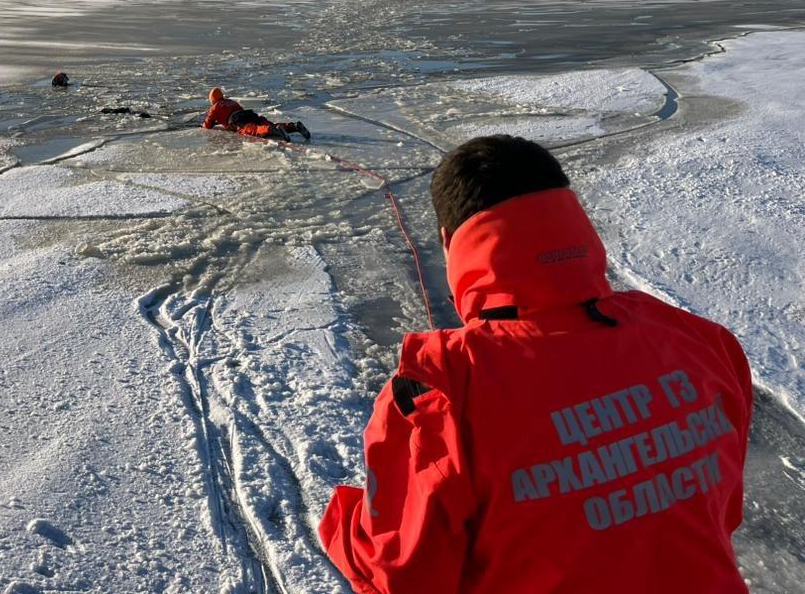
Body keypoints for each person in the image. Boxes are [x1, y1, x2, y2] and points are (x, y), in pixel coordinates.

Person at [320, 134, 753, 594]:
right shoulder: (699, 339)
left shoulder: (443, 390)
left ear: (449, 243)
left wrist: (342, 521)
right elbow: (718, 507)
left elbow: (399, 573)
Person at [201, 87, 310, 142]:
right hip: (246, 113)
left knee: (253, 129)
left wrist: (204, 126)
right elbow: (239, 109)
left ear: (212, 99)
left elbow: (208, 124)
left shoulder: (214, 108)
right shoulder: (230, 101)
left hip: (236, 119)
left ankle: (276, 130)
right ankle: (294, 126)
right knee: (263, 122)